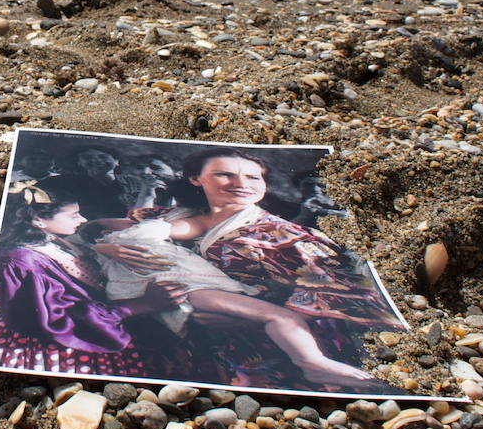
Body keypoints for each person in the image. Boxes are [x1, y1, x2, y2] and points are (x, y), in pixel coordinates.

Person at [101, 146, 401, 390]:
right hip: (191, 346)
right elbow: (98, 228)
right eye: (224, 174)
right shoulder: (175, 215)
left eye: (253, 178)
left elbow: (340, 293)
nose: (241, 184)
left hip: (271, 345)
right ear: (196, 179)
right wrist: (106, 247)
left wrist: (250, 320)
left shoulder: (281, 234)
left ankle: (314, 367)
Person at [0, 185, 188, 377]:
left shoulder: (48, 238)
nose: (82, 219)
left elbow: (90, 231)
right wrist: (142, 304)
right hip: (62, 336)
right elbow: (59, 319)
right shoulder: (25, 263)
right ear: (38, 220)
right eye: (74, 215)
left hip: (89, 316)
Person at [39, 145, 128, 220]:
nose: (96, 160)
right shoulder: (63, 182)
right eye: (87, 157)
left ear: (116, 161)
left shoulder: (134, 183)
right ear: (78, 163)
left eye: (103, 156)